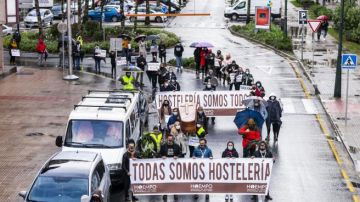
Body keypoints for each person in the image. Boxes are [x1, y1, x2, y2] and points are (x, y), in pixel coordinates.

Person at [160, 135, 182, 201]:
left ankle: (175, 194)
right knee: (165, 181)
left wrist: (177, 156)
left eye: (171, 140)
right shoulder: (163, 146)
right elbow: (159, 154)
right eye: (168, 140)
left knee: (174, 181)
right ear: (167, 139)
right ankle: (165, 194)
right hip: (165, 167)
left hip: (174, 167)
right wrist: (162, 156)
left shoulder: (177, 146)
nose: (169, 141)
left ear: (173, 140)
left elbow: (181, 154)